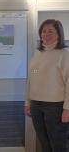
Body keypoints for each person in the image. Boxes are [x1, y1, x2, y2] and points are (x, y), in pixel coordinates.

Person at [24, 19, 69, 152]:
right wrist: (27, 102)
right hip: (36, 105)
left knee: (58, 145)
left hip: (56, 106)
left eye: (51, 31)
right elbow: (31, 79)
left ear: (59, 34)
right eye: (43, 31)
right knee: (44, 144)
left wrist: (67, 108)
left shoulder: (65, 54)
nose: (46, 34)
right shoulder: (38, 54)